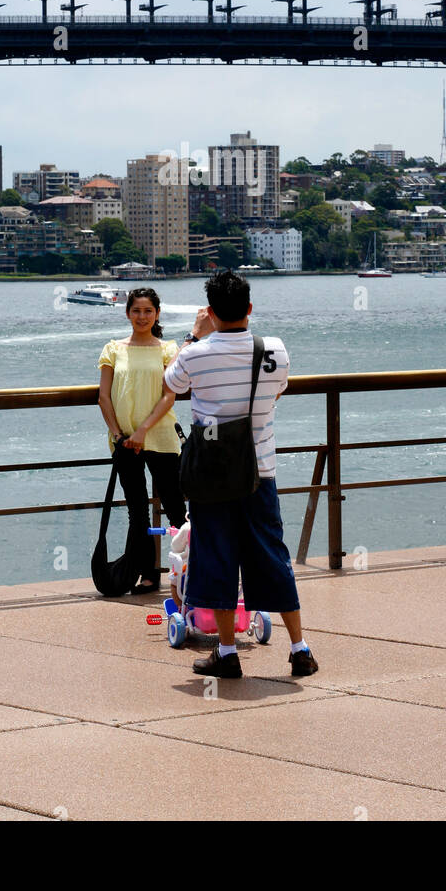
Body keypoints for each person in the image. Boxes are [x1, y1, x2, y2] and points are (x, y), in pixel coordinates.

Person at [160, 269, 318, 679]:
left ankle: (227, 653)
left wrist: (194, 335)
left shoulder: (195, 353)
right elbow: (278, 389)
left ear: (210, 311)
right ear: (249, 308)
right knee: (272, 556)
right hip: (259, 471)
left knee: (216, 558)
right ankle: (299, 649)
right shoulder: (274, 349)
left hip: (212, 477)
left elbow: (170, 382)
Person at [97, 287, 186, 593]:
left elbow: (169, 396)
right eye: (136, 310)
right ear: (127, 313)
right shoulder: (113, 349)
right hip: (124, 442)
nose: (142, 316)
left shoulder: (167, 349)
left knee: (175, 508)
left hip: (160, 437)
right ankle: (149, 574)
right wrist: (118, 434)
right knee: (137, 512)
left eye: (148, 311)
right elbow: (103, 397)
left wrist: (142, 431)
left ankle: (190, 570)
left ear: (157, 314)